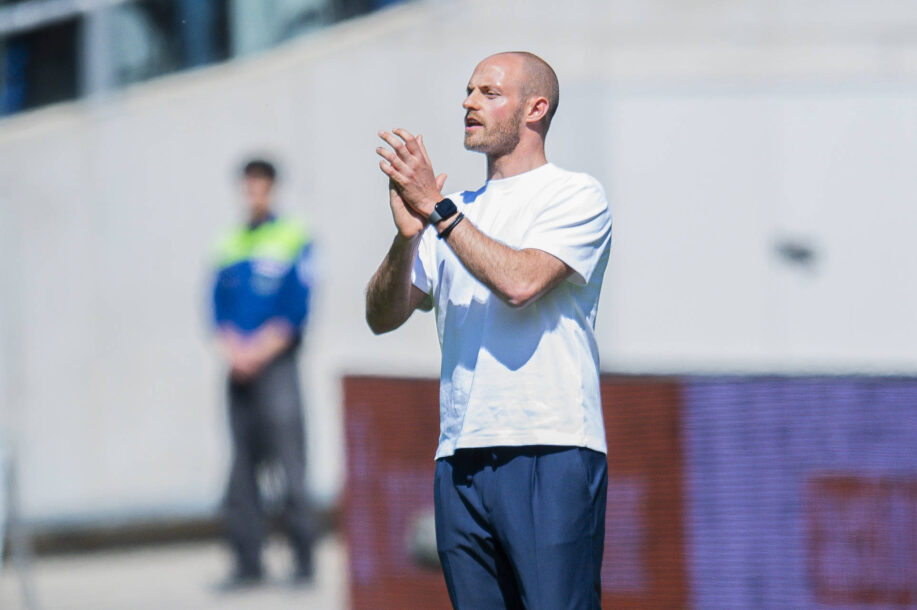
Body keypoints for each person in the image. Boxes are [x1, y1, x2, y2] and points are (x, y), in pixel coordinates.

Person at [365, 52, 613, 609]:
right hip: (460, 456)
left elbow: (520, 283)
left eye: (489, 93)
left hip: (549, 447)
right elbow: (382, 317)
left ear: (535, 109)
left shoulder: (575, 194)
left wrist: (437, 211)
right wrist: (407, 237)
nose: (469, 103)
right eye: (469, 90)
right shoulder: (450, 212)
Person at [211, 159, 316, 587]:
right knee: (241, 472)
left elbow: (297, 309)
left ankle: (303, 561)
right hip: (238, 372)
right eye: (248, 186)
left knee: (291, 467)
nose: (253, 193)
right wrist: (234, 350)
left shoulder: (293, 237)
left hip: (277, 369)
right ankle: (247, 564)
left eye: (260, 186)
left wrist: (258, 350)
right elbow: (216, 308)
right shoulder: (229, 242)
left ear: (271, 188)